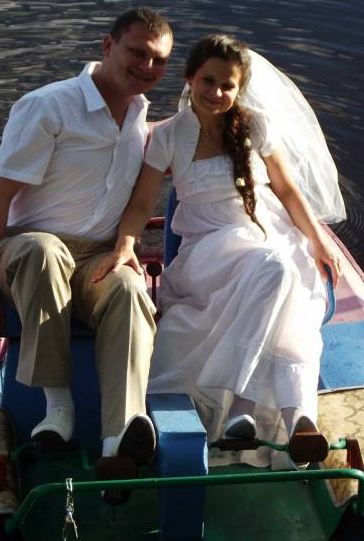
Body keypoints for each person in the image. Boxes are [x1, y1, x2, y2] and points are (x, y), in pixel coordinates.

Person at [93, 34, 346, 468]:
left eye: (227, 85)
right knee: (275, 269)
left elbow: (287, 190)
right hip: (207, 251)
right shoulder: (168, 136)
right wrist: (125, 244)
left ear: (239, 88)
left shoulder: (256, 127)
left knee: (287, 275)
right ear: (190, 78)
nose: (216, 92)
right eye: (208, 81)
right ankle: (260, 407)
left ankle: (287, 418)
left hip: (269, 233)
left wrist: (318, 239)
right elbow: (140, 204)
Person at [0, 8, 174, 463]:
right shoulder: (48, 107)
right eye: (137, 53)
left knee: (128, 289)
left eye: (159, 60)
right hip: (23, 249)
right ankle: (57, 411)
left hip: (94, 257)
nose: (147, 67)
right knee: (44, 252)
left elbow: (200, 133)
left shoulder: (139, 117)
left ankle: (119, 438)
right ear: (108, 46)